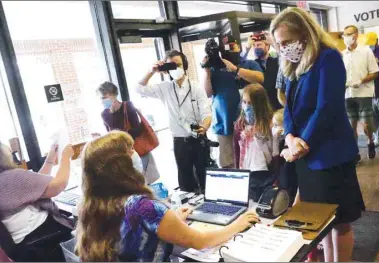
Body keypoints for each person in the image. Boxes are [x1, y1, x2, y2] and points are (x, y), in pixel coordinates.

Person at [75, 131, 260, 262]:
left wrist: (171, 220)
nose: (136, 154)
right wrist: (238, 224)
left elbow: (134, 231)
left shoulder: (94, 204)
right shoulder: (143, 206)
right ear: (119, 165)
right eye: (130, 150)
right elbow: (201, 241)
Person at [271, 7, 365, 262]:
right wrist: (290, 137)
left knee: (340, 222)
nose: (283, 48)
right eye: (279, 43)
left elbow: (328, 107)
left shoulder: (328, 57)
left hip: (331, 155)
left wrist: (303, 143)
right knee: (320, 221)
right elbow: (287, 107)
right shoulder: (293, 64)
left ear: (305, 33)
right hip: (306, 157)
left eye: (287, 41)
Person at [0, 142, 74, 261]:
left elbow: (34, 184)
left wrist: (50, 159)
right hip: (41, 239)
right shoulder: (11, 177)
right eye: (10, 153)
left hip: (24, 244)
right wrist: (66, 158)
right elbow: (58, 186)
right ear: (2, 157)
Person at [136, 50, 212, 192]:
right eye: (172, 66)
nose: (176, 69)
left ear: (185, 65)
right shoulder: (165, 88)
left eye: (179, 65)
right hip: (180, 141)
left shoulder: (196, 87)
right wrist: (151, 71)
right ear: (166, 70)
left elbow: (206, 112)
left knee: (206, 177)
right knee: (185, 180)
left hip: (199, 137)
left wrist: (205, 127)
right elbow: (139, 89)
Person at [202, 35, 264, 169]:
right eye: (225, 47)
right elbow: (207, 93)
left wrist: (236, 69)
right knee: (228, 164)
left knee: (252, 160)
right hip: (224, 124)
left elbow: (260, 78)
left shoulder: (248, 63)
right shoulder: (215, 69)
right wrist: (207, 72)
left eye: (232, 46)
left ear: (238, 46)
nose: (229, 49)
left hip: (250, 123)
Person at [97, 81, 160, 185]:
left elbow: (137, 130)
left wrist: (124, 134)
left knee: (144, 182)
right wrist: (113, 115)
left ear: (112, 95)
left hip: (138, 150)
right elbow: (112, 136)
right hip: (121, 154)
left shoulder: (128, 106)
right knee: (131, 184)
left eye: (104, 97)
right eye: (101, 98)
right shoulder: (105, 114)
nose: (102, 100)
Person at [233, 84, 279, 201]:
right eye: (244, 102)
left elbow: (275, 153)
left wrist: (277, 177)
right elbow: (237, 153)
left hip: (266, 174)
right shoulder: (240, 125)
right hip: (248, 174)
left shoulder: (269, 125)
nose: (246, 106)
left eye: (250, 103)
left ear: (259, 105)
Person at [342, 25, 379, 162]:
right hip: (347, 94)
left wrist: (361, 81)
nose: (346, 37)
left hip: (364, 93)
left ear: (356, 35)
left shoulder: (366, 52)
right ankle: (355, 153)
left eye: (349, 34)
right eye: (344, 35)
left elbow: (375, 72)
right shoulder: (342, 54)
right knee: (350, 125)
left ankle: (370, 141)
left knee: (367, 124)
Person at [248, 31, 283, 110]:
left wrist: (273, 41)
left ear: (268, 46)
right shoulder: (251, 65)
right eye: (254, 45)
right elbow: (238, 64)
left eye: (259, 44)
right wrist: (247, 48)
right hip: (260, 107)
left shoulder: (277, 61)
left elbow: (285, 56)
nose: (256, 47)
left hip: (278, 105)